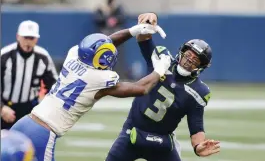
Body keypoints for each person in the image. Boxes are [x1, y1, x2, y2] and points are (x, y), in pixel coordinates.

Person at [10, 14, 170, 161]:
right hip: (43, 132)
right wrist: (160, 69)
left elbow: (103, 43)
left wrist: (133, 31)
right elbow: (140, 88)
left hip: (25, 122)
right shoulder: (99, 78)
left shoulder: (73, 54)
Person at [105, 13, 220, 161]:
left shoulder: (199, 91)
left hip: (162, 142)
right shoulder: (162, 60)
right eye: (188, 54)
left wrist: (198, 146)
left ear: (201, 66)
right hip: (132, 132)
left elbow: (196, 125)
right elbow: (143, 37)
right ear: (181, 51)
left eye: (196, 59)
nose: (189, 59)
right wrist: (150, 17)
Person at [1, 20, 58, 129]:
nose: (28, 41)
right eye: (25, 37)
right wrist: (1, 108)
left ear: (36, 39)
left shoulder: (43, 57)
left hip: (30, 110)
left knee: (30, 144)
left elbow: (54, 85)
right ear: (18, 36)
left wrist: (45, 104)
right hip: (5, 107)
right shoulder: (4, 55)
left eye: (31, 38)